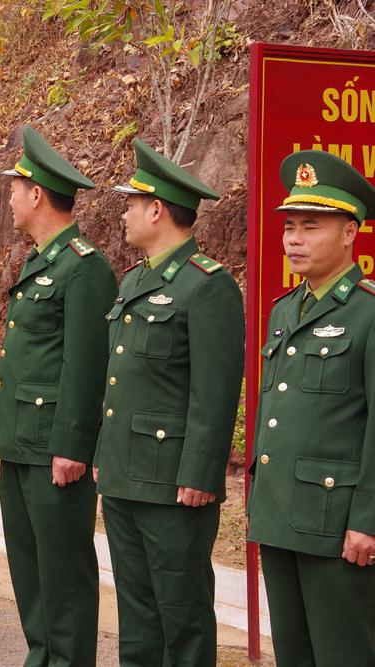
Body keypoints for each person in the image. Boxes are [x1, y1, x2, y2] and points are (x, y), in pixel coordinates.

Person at [93, 138, 244, 667]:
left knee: (181, 612)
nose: (124, 215)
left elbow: (216, 389)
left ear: (157, 209)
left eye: (131, 204)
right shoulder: (135, 279)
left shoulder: (208, 287)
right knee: (136, 610)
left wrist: (201, 474)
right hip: (124, 473)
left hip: (174, 484)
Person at [0, 127, 117, 666]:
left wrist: (72, 446)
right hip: (20, 442)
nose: (9, 201)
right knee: (28, 564)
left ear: (36, 193)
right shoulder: (39, 260)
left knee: (62, 570)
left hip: (53, 448)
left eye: (14, 190)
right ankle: (42, 656)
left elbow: (86, 368)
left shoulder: (84, 268)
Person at [248, 150, 375, 665]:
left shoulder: (367, 312)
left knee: (344, 653)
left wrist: (367, 518)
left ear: (350, 232)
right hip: (281, 515)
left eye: (311, 227)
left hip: (336, 524)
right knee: (294, 653)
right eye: (290, 226)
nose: (293, 239)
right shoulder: (285, 309)